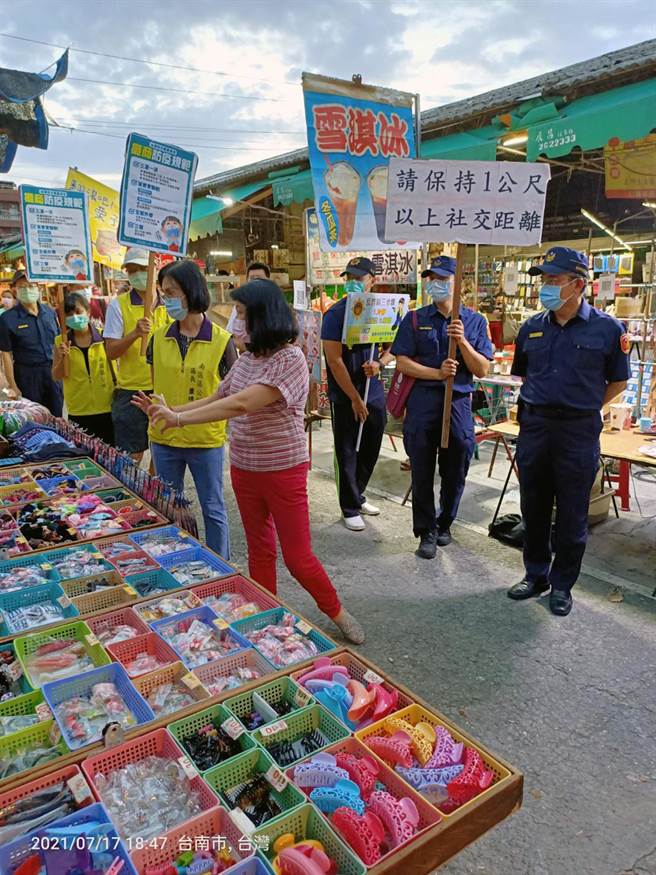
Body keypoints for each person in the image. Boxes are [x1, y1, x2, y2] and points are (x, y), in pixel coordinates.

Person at [134, 278, 365, 645]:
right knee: (259, 548)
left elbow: (241, 404)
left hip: (282, 470)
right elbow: (219, 395)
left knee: (297, 556)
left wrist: (178, 420)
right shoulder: (247, 359)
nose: (236, 322)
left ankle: (336, 611)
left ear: (263, 315)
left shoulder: (290, 359)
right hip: (245, 468)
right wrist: (169, 409)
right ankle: (266, 614)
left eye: (241, 313)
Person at [507, 246, 630, 616]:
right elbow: (524, 374)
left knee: (574, 513)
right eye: (543, 279)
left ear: (578, 284)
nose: (545, 286)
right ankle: (536, 574)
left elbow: (619, 382)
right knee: (534, 505)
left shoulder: (608, 329)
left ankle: (563, 584)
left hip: (577, 430)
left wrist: (588, 405)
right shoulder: (531, 327)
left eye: (553, 280)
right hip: (536, 426)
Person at [392, 256, 493, 559]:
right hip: (422, 402)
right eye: (431, 278)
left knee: (456, 465)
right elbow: (402, 362)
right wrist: (436, 373)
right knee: (421, 468)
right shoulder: (414, 318)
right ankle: (426, 531)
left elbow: (482, 369)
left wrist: (462, 342)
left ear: (457, 284)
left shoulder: (475, 321)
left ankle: (445, 521)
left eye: (443, 279)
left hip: (459, 403)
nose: (436, 284)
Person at [138, 260, 235, 558]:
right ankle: (177, 561)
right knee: (170, 507)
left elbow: (231, 396)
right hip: (164, 439)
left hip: (205, 440)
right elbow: (158, 389)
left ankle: (221, 566)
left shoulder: (223, 342)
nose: (166, 299)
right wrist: (154, 411)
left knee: (213, 508)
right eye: (163, 293)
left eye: (172, 292)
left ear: (191, 291)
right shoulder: (158, 338)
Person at [321, 257, 392, 531]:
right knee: (347, 448)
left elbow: (392, 346)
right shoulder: (335, 315)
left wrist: (380, 364)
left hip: (372, 390)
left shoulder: (380, 310)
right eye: (348, 277)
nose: (352, 283)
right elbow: (335, 360)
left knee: (372, 442)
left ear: (372, 280)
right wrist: (353, 398)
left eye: (359, 278)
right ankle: (349, 505)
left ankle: (358, 494)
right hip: (345, 393)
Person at [103, 247, 169, 461]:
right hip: (131, 390)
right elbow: (111, 351)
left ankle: (155, 494)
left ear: (155, 267)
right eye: (132, 270)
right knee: (132, 455)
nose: (138, 274)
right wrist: (134, 334)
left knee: (163, 451)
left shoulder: (171, 303)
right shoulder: (118, 305)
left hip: (164, 387)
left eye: (143, 268)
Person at [52, 292, 115, 443]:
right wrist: (61, 358)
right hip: (78, 409)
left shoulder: (104, 337)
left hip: (106, 407)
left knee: (108, 455)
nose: (74, 317)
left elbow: (115, 367)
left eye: (78, 312)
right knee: (83, 454)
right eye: (69, 314)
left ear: (88, 312)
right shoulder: (61, 341)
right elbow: (56, 375)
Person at [0, 270, 63, 415]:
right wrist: (13, 386)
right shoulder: (8, 319)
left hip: (52, 372)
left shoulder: (50, 313)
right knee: (33, 420)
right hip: (27, 375)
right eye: (22, 286)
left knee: (57, 418)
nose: (27, 289)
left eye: (31, 285)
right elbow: (6, 354)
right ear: (15, 290)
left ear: (38, 287)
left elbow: (58, 343)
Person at [227, 261, 270, 351]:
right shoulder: (240, 306)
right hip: (248, 353)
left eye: (260, 279)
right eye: (252, 279)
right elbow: (230, 333)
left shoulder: (275, 306)